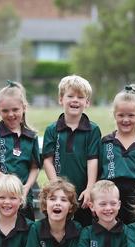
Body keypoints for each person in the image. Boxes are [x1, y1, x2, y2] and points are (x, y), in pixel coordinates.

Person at [42, 75, 101, 226]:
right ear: (61, 99)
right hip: (60, 195)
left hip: (83, 194)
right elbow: (47, 160)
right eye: (70, 96)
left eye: (80, 97)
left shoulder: (92, 130)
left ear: (87, 102)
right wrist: (56, 185)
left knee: (84, 229)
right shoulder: (52, 130)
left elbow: (92, 160)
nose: (75, 100)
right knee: (59, 228)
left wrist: (89, 189)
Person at [98, 85, 135, 224]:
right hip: (109, 199)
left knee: (133, 234)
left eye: (131, 115)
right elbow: (98, 173)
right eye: (121, 115)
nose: (126, 119)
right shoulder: (106, 143)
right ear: (114, 114)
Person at [0, 81, 40, 220]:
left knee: (25, 231)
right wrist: (6, 181)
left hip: (22, 196)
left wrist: (26, 187)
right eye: (5, 110)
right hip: (0, 195)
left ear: (24, 108)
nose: (11, 114)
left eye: (15, 110)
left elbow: (34, 167)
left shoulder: (31, 136)